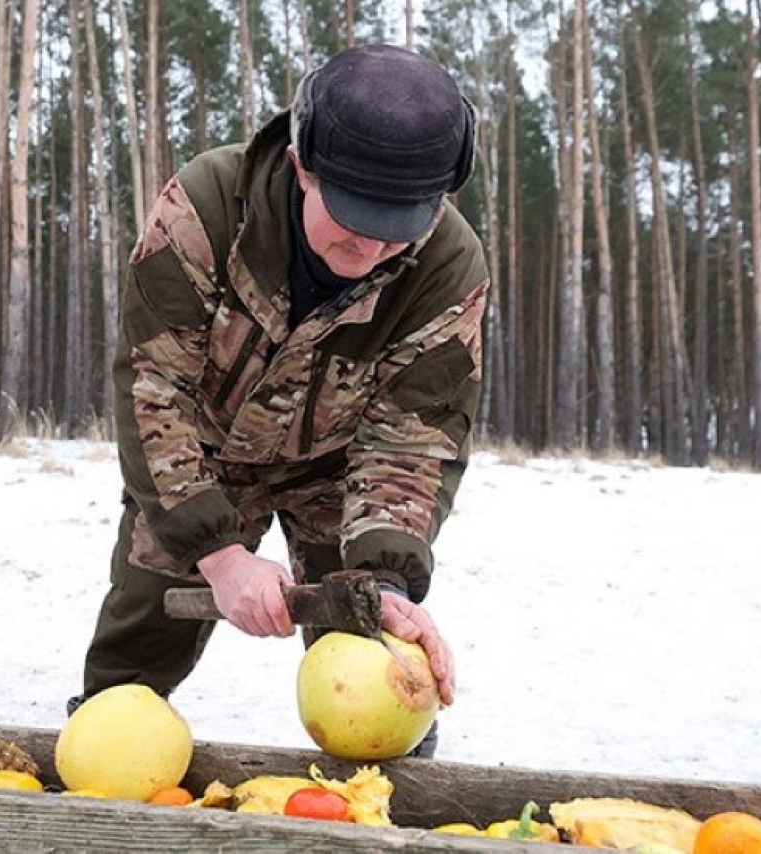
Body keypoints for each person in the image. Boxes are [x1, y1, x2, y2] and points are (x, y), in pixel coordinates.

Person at [73, 44, 488, 758]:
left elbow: (412, 439)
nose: (369, 253)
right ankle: (101, 763)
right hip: (198, 452)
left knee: (368, 637)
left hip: (340, 465)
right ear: (303, 166)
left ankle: (384, 788)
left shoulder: (448, 267)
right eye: (351, 225)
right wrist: (218, 553)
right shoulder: (206, 206)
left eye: (396, 233)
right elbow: (154, 386)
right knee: (141, 630)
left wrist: (387, 576)